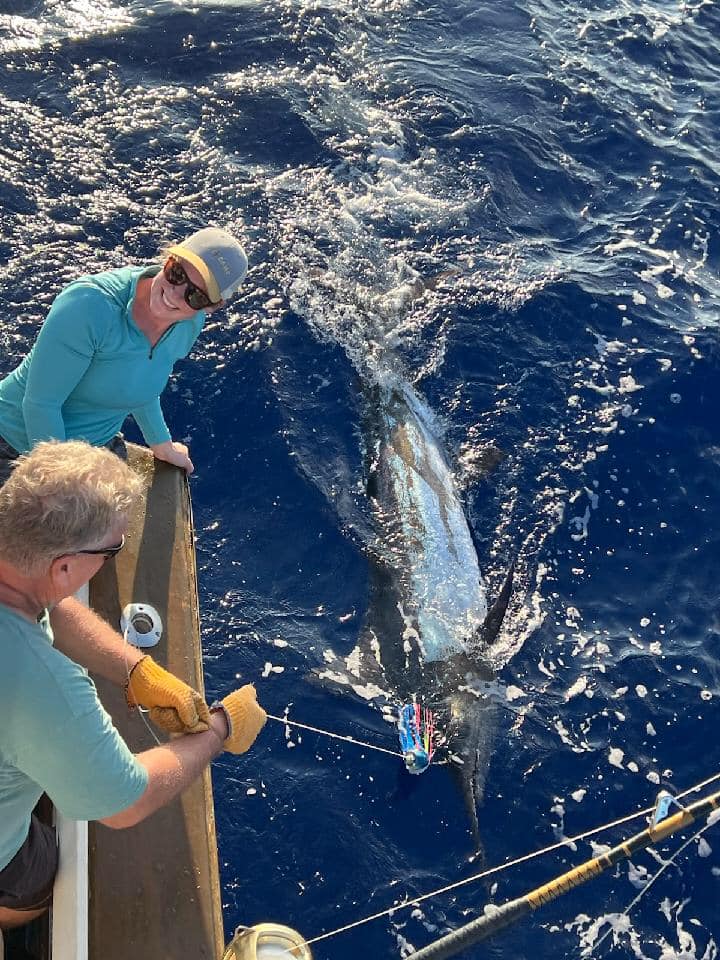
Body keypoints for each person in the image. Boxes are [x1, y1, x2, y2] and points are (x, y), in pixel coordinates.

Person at [0, 440, 266, 933]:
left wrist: (136, 669)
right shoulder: (48, 689)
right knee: (34, 882)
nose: (113, 557)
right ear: (65, 567)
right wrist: (219, 730)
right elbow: (126, 801)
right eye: (112, 550)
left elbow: (45, 602)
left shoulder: (14, 552)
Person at [0, 227, 248, 481]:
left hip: (95, 451)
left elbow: (141, 384)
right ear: (167, 260)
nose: (174, 293)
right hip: (18, 446)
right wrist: (64, 484)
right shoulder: (89, 304)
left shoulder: (189, 324)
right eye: (177, 273)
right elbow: (41, 404)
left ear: (211, 308)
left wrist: (161, 443)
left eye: (195, 295)